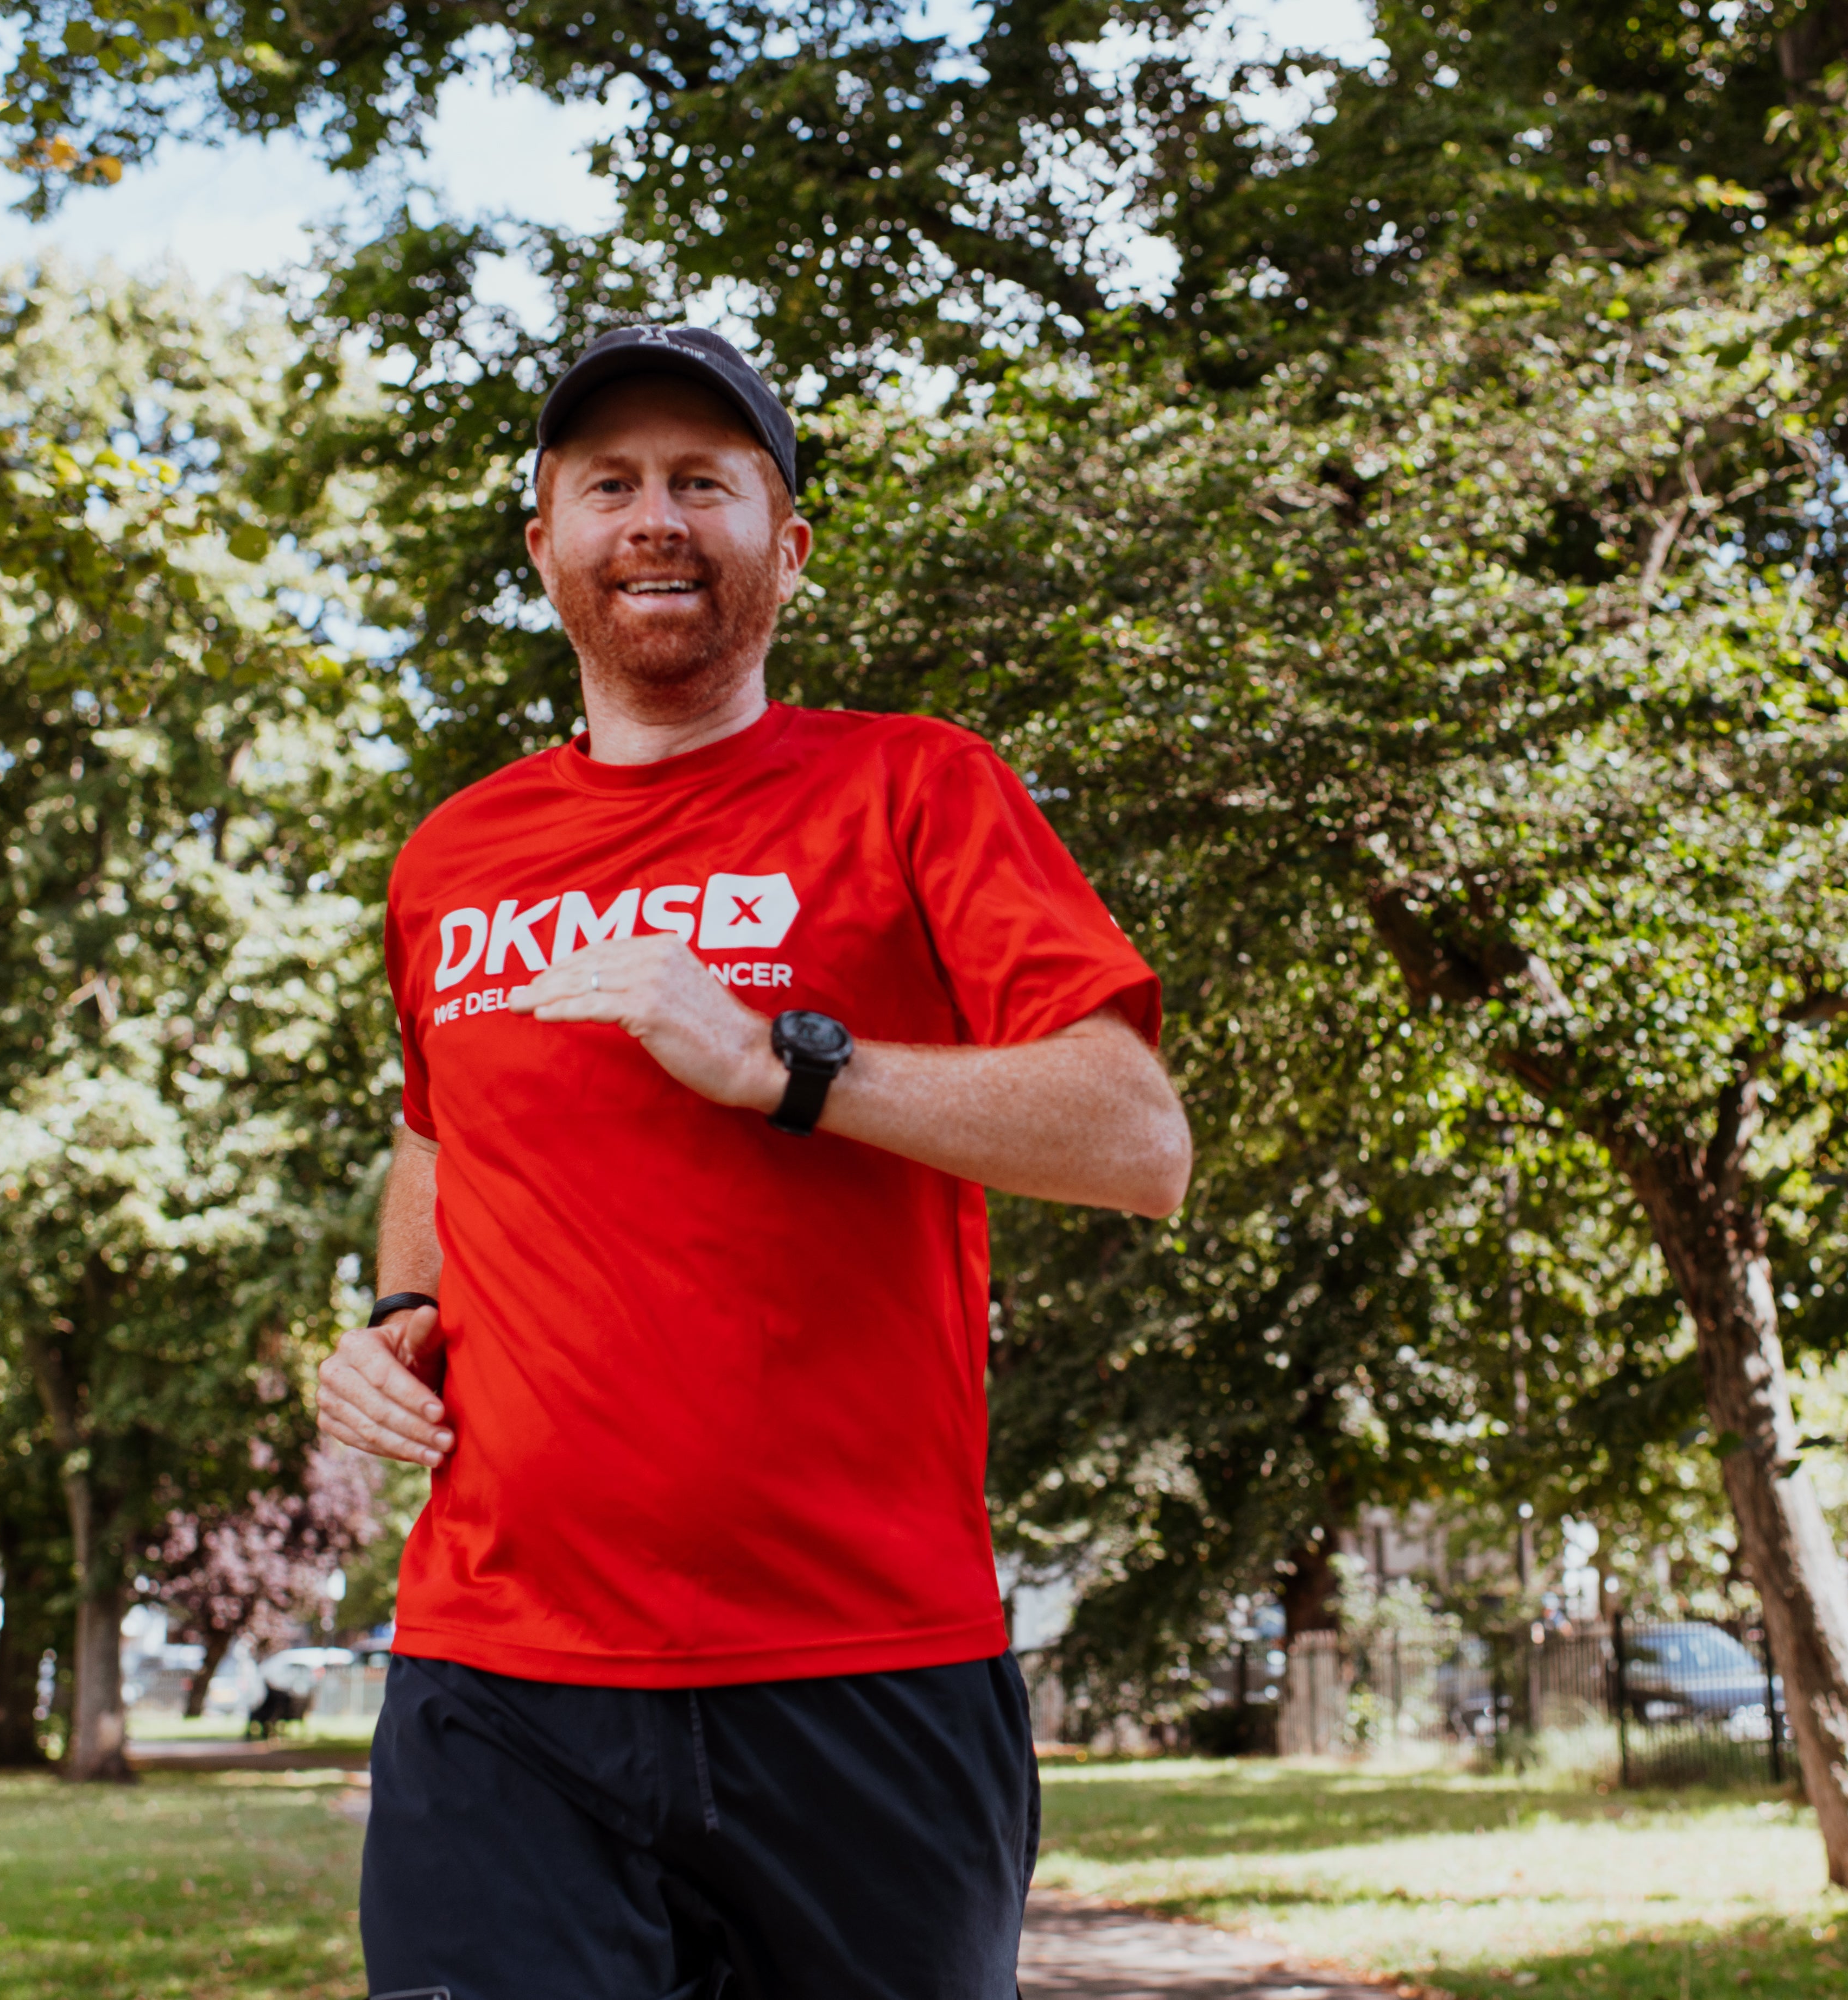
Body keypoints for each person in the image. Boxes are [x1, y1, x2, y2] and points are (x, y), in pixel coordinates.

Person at [317, 323, 1192, 2000]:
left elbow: (1134, 1135)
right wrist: (399, 1312)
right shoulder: (451, 856)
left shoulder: (915, 786)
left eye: (703, 483)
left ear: (785, 546)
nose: (656, 518)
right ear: (547, 547)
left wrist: (785, 1067)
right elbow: (436, 1127)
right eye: (612, 485)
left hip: (862, 1668)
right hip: (502, 1677)